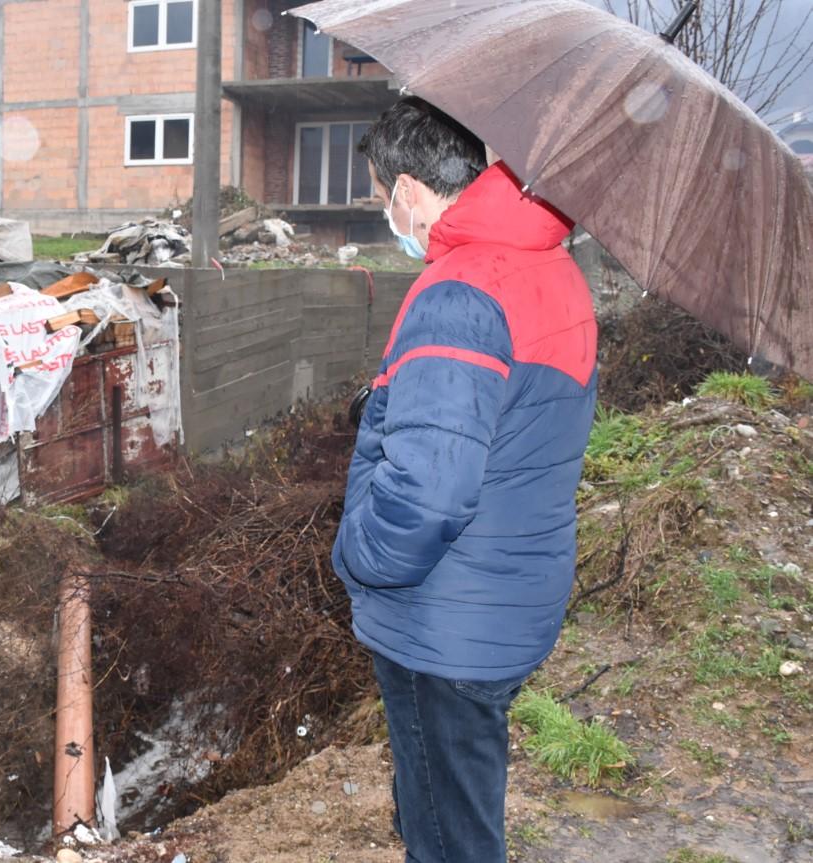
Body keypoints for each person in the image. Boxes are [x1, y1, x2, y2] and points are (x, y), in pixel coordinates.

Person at [333, 98, 597, 862]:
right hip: (511, 598)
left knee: (449, 837)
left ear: (410, 192)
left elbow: (428, 494)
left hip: (443, 623)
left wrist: (357, 556)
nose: (387, 212)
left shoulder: (458, 292)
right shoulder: (552, 269)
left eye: (383, 196)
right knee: (462, 794)